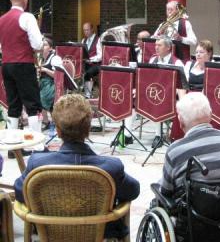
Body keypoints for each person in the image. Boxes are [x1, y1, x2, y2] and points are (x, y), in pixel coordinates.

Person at [14, 94, 140, 240]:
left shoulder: (37, 164)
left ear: (58, 131)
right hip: (101, 233)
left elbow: (20, 192)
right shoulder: (111, 167)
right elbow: (133, 191)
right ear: (88, 129)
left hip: (49, 232)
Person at [159, 92, 220, 198]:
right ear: (211, 115)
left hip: (194, 210)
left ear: (180, 122)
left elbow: (166, 191)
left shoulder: (175, 150)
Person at [0, 0, 43, 136]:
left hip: (6, 65)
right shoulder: (27, 17)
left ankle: (14, 146)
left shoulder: (2, 19)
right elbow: (37, 45)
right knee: (33, 104)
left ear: (11, 0)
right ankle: (35, 145)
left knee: (13, 105)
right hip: (23, 64)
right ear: (25, 1)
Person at [149, 36, 184, 149]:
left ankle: (169, 134)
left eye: (159, 45)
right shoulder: (152, 60)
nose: (156, 48)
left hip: (172, 96)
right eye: (155, 45)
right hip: (155, 94)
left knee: (158, 101)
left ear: (168, 47)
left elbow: (182, 83)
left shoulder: (177, 62)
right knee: (134, 101)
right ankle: (158, 135)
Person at [39, 37, 62, 128]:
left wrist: (45, 70)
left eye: (45, 45)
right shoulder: (40, 58)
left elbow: (58, 75)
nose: (42, 47)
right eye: (42, 45)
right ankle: (45, 120)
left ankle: (51, 121)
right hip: (42, 82)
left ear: (51, 48)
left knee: (42, 95)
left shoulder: (55, 58)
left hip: (53, 83)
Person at [82, 22, 102, 98]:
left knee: (88, 73)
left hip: (96, 65)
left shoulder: (98, 39)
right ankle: (83, 91)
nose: (86, 32)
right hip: (86, 64)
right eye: (84, 30)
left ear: (92, 29)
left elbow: (100, 56)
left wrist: (91, 60)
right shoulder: (83, 40)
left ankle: (88, 94)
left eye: (87, 30)